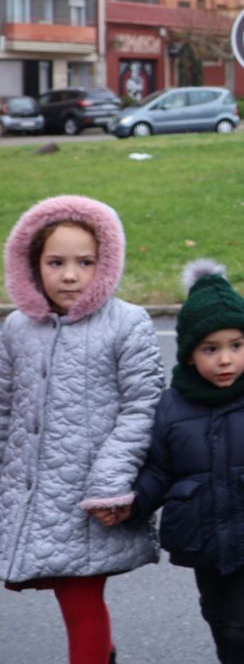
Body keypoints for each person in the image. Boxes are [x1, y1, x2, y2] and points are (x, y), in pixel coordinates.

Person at [1, 195, 162, 664]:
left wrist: (110, 483)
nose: (70, 275)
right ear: (32, 264)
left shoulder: (125, 324)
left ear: (105, 262)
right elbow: (6, 408)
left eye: (85, 262)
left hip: (90, 496)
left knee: (80, 598)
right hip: (33, 496)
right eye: (56, 262)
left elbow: (142, 405)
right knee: (70, 600)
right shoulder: (17, 327)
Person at [128, 263, 244, 664]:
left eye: (236, 345)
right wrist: (133, 503)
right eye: (210, 349)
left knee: (243, 622)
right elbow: (161, 469)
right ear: (190, 354)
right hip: (202, 534)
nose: (225, 359)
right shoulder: (172, 404)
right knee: (215, 614)